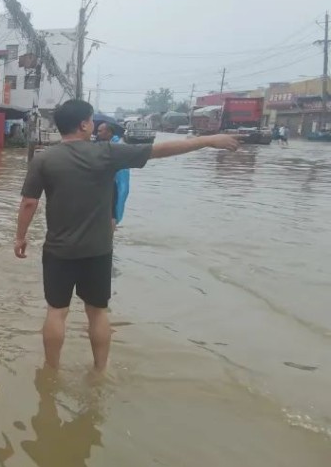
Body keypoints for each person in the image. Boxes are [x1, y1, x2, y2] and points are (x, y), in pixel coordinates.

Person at [15, 99, 241, 372]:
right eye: (91, 121)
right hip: (98, 250)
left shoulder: (43, 159)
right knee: (97, 312)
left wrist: (20, 237)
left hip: (59, 250)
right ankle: (99, 372)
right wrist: (206, 141)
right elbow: (158, 150)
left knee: (56, 311)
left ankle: (51, 371)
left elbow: (29, 203)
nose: (94, 126)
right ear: (84, 124)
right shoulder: (108, 153)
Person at [96, 121, 130, 229]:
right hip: (106, 186)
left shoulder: (117, 148)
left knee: (112, 215)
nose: (97, 134)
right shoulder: (105, 146)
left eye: (100, 131)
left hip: (114, 186)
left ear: (109, 133)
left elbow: (122, 180)